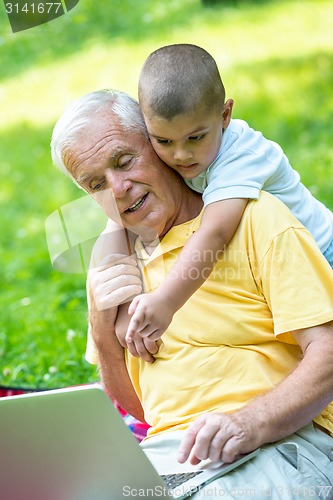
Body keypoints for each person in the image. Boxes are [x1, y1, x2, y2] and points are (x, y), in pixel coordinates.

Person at [51, 89, 333, 497]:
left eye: (124, 161)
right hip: (172, 459)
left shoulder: (256, 217)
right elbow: (145, 409)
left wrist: (248, 423)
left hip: (282, 442)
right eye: (96, 183)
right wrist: (100, 322)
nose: (118, 188)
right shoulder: (118, 264)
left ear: (159, 144)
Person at [124, 43, 333, 358]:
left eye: (196, 137)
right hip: (270, 263)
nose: (181, 155)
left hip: (322, 253)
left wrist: (165, 301)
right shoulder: (184, 152)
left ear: (224, 115)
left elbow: (215, 233)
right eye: (164, 141)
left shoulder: (241, 156)